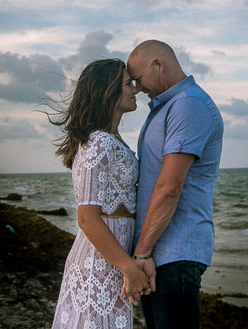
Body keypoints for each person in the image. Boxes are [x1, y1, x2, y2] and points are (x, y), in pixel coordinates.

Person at [49, 59, 156, 329]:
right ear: (108, 91)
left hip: (114, 255)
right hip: (99, 260)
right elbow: (87, 218)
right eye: (127, 83)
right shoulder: (98, 142)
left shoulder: (113, 139)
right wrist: (128, 267)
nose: (135, 89)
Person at [125, 40, 224, 329]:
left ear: (158, 65)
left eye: (138, 79)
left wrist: (141, 253)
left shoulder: (189, 105)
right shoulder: (165, 108)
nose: (138, 88)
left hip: (175, 253)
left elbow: (170, 186)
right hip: (159, 252)